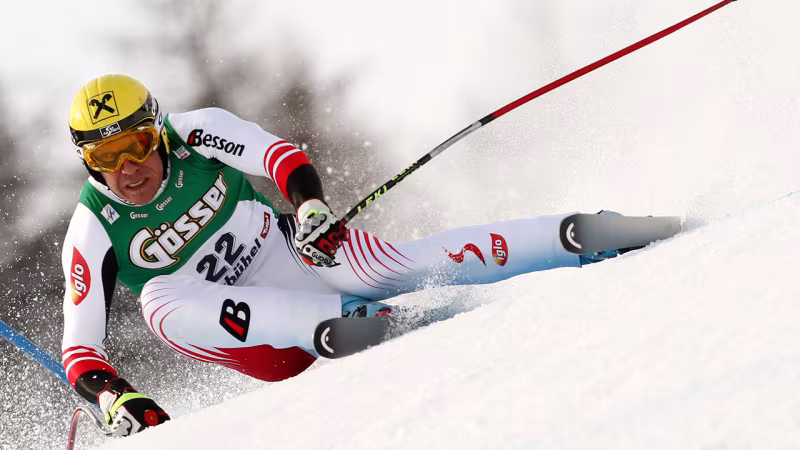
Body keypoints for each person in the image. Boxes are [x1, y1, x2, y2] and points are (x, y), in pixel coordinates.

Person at [61, 74, 621, 437]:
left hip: (291, 255)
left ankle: (567, 237)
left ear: (155, 132)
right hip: (261, 341)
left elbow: (281, 158)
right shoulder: (93, 227)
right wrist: (114, 398)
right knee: (157, 299)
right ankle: (337, 325)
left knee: (400, 265)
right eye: (105, 155)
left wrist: (309, 211)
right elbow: (80, 349)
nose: (127, 168)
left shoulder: (197, 133)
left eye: (134, 145)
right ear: (87, 161)